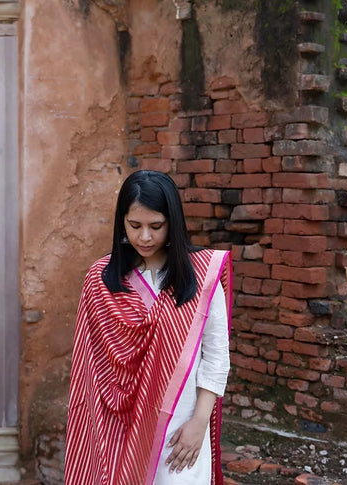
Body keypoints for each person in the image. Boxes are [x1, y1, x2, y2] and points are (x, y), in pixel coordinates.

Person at [64, 170, 231, 485]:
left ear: (173, 223)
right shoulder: (101, 279)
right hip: (115, 427)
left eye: (156, 226)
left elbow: (217, 355)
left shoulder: (201, 275)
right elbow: (91, 367)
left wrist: (199, 422)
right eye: (134, 226)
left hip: (180, 424)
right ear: (121, 223)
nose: (144, 237)